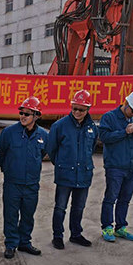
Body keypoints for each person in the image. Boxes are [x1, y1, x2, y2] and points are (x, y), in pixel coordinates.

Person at [0, 97, 49, 259]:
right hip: (13, 183)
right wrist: (8, 169)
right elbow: (0, 153)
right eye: (21, 113)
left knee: (28, 215)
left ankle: (24, 242)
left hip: (31, 184)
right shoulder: (9, 133)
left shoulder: (43, 135)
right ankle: (11, 244)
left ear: (37, 116)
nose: (23, 116)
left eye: (27, 114)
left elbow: (43, 153)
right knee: (11, 215)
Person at [48, 90, 98, 250]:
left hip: (83, 174)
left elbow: (92, 148)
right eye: (74, 108)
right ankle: (57, 236)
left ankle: (76, 234)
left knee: (79, 207)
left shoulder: (92, 127)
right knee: (60, 207)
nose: (77, 112)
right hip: (65, 174)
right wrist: (62, 164)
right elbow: (52, 149)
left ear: (88, 109)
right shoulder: (59, 126)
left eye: (81, 109)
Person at [98, 90, 133, 242]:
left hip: (132, 166)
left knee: (125, 199)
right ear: (126, 103)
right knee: (111, 198)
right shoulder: (109, 117)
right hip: (115, 166)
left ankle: (120, 227)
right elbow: (104, 137)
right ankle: (107, 227)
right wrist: (124, 132)